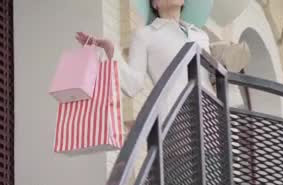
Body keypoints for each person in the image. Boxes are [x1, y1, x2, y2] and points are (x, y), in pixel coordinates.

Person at [75, 0, 214, 122]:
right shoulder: (145, 34)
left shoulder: (201, 35)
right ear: (154, 4)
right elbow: (132, 84)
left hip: (211, 115)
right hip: (175, 117)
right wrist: (111, 50)